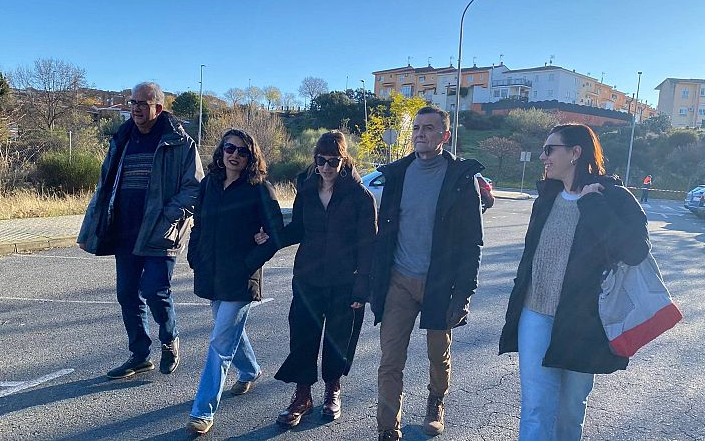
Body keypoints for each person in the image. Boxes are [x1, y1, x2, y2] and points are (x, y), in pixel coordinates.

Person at [498, 123, 650, 441]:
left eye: (550, 149)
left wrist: (592, 204)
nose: (543, 156)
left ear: (575, 153)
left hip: (584, 323)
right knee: (537, 408)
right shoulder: (547, 197)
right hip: (535, 314)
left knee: (569, 413)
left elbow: (635, 251)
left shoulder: (613, 197)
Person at [369, 106, 484, 441]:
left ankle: (436, 402)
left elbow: (472, 241)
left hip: (440, 284)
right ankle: (388, 428)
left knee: (438, 354)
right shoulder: (398, 174)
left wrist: (464, 293)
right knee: (390, 359)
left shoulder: (461, 179)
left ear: (444, 135)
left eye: (429, 128)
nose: (421, 133)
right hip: (399, 282)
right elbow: (384, 233)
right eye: (417, 128)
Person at [77, 81, 203, 380]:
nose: (134, 108)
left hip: (161, 231)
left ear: (157, 107)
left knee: (155, 291)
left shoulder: (180, 143)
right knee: (127, 294)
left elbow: (195, 188)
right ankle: (139, 355)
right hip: (125, 230)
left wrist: (168, 216)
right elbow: (104, 186)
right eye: (132, 102)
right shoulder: (122, 139)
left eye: (141, 104)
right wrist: (89, 228)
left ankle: (169, 340)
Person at [254, 130, 376, 427]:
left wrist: (362, 288)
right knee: (303, 337)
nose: (326, 167)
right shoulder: (307, 190)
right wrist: (272, 236)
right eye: (321, 160)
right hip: (308, 278)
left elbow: (369, 245)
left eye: (333, 160)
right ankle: (303, 395)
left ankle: (333, 390)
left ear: (344, 159)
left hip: (344, 282)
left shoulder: (360, 196)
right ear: (315, 160)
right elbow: (298, 229)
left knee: (337, 340)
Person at [185, 129, 284, 435]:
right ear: (221, 151)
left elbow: (276, 233)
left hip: (240, 278)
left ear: (251, 156)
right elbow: (198, 223)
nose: (235, 155)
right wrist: (194, 255)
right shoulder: (209, 184)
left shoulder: (258, 189)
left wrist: (250, 262)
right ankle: (251, 370)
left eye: (242, 151)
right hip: (212, 272)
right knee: (228, 331)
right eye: (230, 148)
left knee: (219, 341)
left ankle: (202, 410)